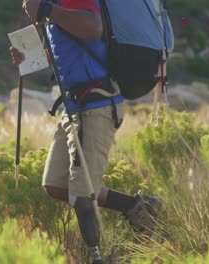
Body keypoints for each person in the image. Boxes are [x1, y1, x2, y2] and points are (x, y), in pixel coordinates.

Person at [10, 0, 161, 263]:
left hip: (97, 106)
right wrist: (28, 57)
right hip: (72, 107)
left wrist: (47, 10)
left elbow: (93, 27)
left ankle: (97, 257)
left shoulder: (61, 4)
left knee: (81, 195)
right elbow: (64, 51)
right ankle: (138, 206)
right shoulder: (56, 8)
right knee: (55, 185)